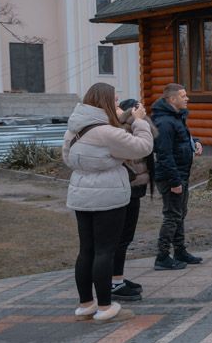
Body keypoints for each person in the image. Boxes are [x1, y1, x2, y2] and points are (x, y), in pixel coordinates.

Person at [63, 83, 154, 323]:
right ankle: (105, 307)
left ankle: (86, 305)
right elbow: (143, 147)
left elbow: (67, 158)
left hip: (81, 194)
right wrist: (139, 121)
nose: (117, 105)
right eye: (114, 100)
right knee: (105, 251)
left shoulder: (74, 129)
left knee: (86, 251)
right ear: (103, 102)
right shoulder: (106, 132)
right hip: (108, 196)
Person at [152, 84, 204, 270]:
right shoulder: (165, 122)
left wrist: (195, 142)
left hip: (181, 173)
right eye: (183, 95)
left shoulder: (175, 117)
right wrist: (174, 181)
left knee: (180, 214)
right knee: (172, 216)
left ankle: (180, 251)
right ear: (172, 99)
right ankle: (162, 256)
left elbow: (181, 139)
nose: (187, 98)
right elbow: (164, 154)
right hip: (171, 177)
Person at [110, 99, 154, 302]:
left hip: (134, 185)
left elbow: (154, 137)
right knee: (118, 238)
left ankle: (117, 278)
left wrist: (140, 119)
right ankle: (114, 283)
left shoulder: (122, 121)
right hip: (125, 184)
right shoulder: (112, 124)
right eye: (114, 100)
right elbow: (138, 148)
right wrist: (134, 120)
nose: (118, 104)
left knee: (125, 237)